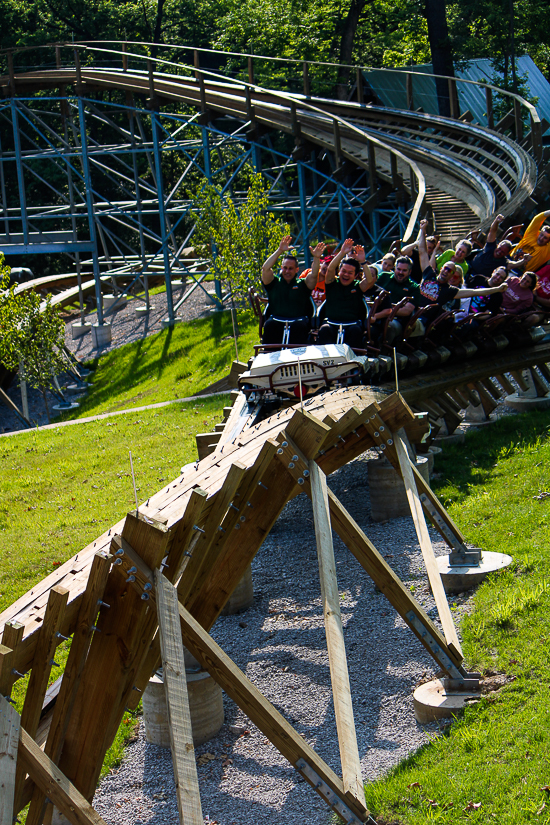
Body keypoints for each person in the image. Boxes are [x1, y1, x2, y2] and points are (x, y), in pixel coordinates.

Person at [417, 219, 508, 333]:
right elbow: (422, 251)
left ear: (451, 276)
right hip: (412, 307)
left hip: (423, 318)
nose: (446, 271)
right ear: (441, 269)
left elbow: (475, 292)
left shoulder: (450, 290)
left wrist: (498, 289)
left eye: (450, 271)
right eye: (445, 268)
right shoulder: (429, 274)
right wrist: (422, 229)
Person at [261, 236, 322, 346]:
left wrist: (316, 258)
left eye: (290, 268)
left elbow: (313, 275)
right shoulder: (273, 282)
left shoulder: (303, 284)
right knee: (269, 325)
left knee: (300, 327)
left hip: (298, 322)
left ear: (297, 270)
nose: (287, 271)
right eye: (285, 268)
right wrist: (279, 251)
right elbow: (265, 268)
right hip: (276, 321)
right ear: (281, 268)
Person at [318, 238, 375, 348]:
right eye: (343, 271)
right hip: (331, 323)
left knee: (355, 331)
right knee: (324, 330)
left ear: (355, 275)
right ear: (339, 272)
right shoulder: (332, 283)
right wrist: (342, 252)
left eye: (350, 273)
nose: (346, 275)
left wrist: (363, 262)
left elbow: (369, 280)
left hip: (352, 324)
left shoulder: (357, 286)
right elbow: (330, 269)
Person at [370, 255, 423, 345]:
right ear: (395, 268)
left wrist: (386, 310)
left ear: (410, 272)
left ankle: (384, 352)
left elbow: (406, 311)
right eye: (398, 269)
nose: (400, 272)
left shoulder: (414, 287)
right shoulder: (383, 277)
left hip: (396, 320)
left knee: (389, 326)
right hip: (375, 314)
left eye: (404, 270)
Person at [469, 214, 530, 279]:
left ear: (506, 254)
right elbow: (493, 231)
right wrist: (496, 221)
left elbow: (514, 264)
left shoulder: (503, 262)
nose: (499, 252)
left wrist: (524, 260)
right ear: (498, 245)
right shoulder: (491, 246)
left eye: (503, 252)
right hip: (470, 268)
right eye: (499, 249)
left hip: (478, 278)